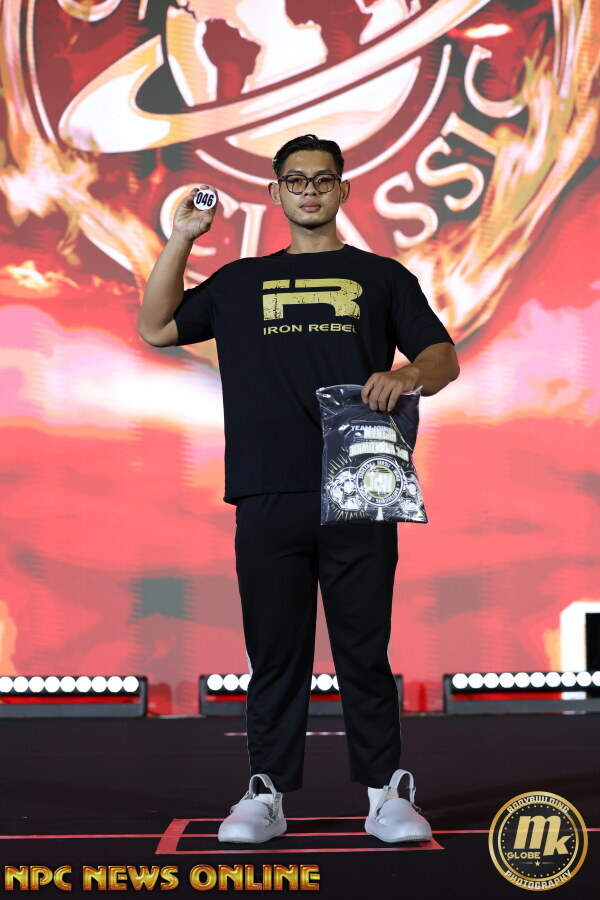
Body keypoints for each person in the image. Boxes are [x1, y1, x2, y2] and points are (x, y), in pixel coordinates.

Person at [138, 134, 460, 844]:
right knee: (275, 653)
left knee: (363, 650)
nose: (309, 190)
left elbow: (443, 357)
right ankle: (266, 793)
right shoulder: (237, 282)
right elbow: (156, 325)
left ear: (342, 189)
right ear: (276, 192)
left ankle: (385, 793)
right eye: (296, 180)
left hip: (359, 486)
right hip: (266, 489)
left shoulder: (382, 277)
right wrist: (182, 238)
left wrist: (408, 374)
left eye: (321, 179)